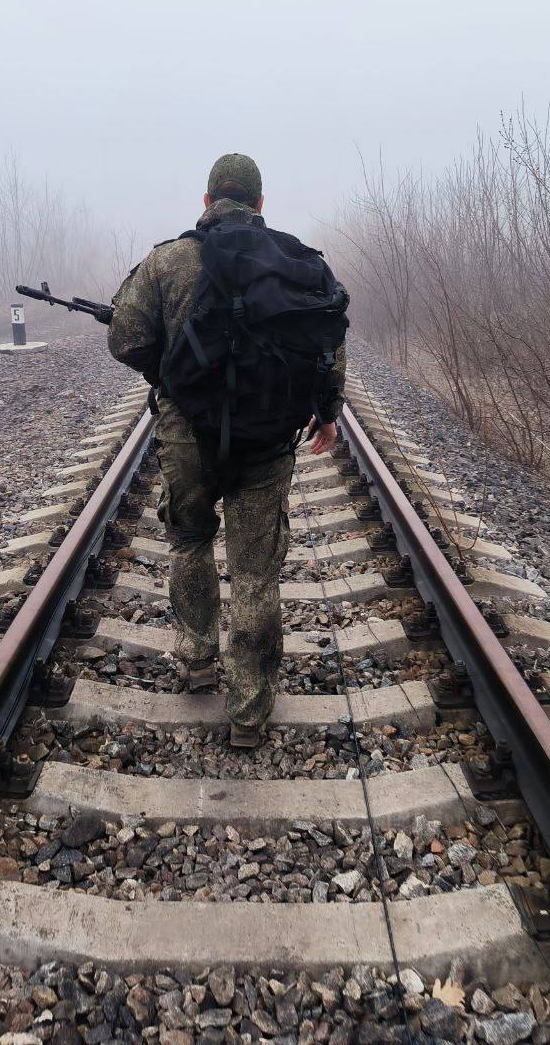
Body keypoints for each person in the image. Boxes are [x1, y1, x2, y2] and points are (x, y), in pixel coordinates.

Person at [108, 153, 347, 747]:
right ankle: (249, 711)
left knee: (190, 540)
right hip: (267, 441)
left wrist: (172, 377)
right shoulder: (298, 262)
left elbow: (126, 339)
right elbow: (329, 343)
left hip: (187, 434)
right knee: (257, 571)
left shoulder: (167, 260)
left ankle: (196, 661)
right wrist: (328, 413)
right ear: (261, 203)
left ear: (208, 200)